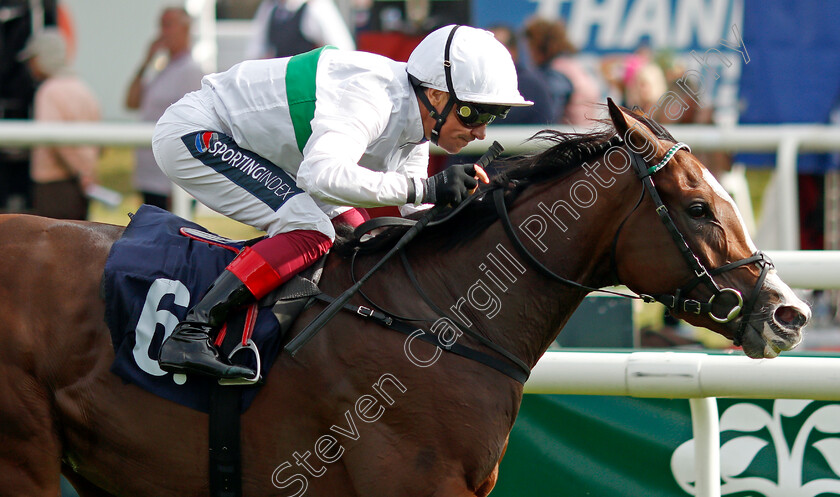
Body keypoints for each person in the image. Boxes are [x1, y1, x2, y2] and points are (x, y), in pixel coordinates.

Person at [152, 24, 532, 379]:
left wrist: (469, 208)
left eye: (493, 116)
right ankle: (192, 331)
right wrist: (428, 189)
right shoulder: (372, 96)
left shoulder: (416, 115)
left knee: (357, 234)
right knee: (311, 230)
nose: (481, 131)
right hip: (199, 133)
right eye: (474, 113)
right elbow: (322, 175)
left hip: (256, 147)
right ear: (435, 95)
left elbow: (417, 213)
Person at [125, 7, 203, 210]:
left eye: (168, 25)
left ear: (185, 29)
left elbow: (191, 125)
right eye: (161, 26)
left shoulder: (190, 70)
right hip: (148, 175)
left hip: (167, 181)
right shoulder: (163, 69)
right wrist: (145, 62)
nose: (162, 32)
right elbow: (131, 102)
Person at [19, 28, 100, 220]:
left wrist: (79, 172)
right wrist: (87, 173)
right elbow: (98, 139)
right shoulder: (82, 88)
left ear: (44, 58)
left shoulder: (48, 91)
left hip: (56, 186)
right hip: (83, 184)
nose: (30, 65)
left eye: (33, 58)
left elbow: (55, 139)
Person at [524, 17, 601, 126]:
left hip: (571, 138)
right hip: (585, 136)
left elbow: (548, 114)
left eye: (530, 46)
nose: (528, 54)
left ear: (539, 45)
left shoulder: (555, 74)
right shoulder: (573, 66)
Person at [244, 0, 355, 60]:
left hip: (306, 88)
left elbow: (343, 49)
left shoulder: (316, 6)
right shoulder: (270, 7)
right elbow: (254, 52)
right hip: (279, 84)